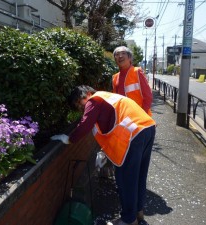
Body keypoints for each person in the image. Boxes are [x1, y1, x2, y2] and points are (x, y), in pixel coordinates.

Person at [51, 85, 156, 225]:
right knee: (139, 176)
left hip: (134, 135)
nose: (81, 107)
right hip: (147, 128)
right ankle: (138, 213)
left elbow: (85, 125)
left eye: (78, 102)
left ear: (87, 93)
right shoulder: (107, 97)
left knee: (125, 179)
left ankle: (129, 220)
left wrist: (68, 139)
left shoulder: (94, 100)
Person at [112, 46, 153, 116]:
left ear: (129, 58)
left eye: (123, 53)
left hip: (139, 116)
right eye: (117, 54)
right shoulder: (115, 77)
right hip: (123, 116)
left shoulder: (137, 72)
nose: (120, 56)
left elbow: (148, 96)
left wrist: (143, 114)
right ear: (115, 59)